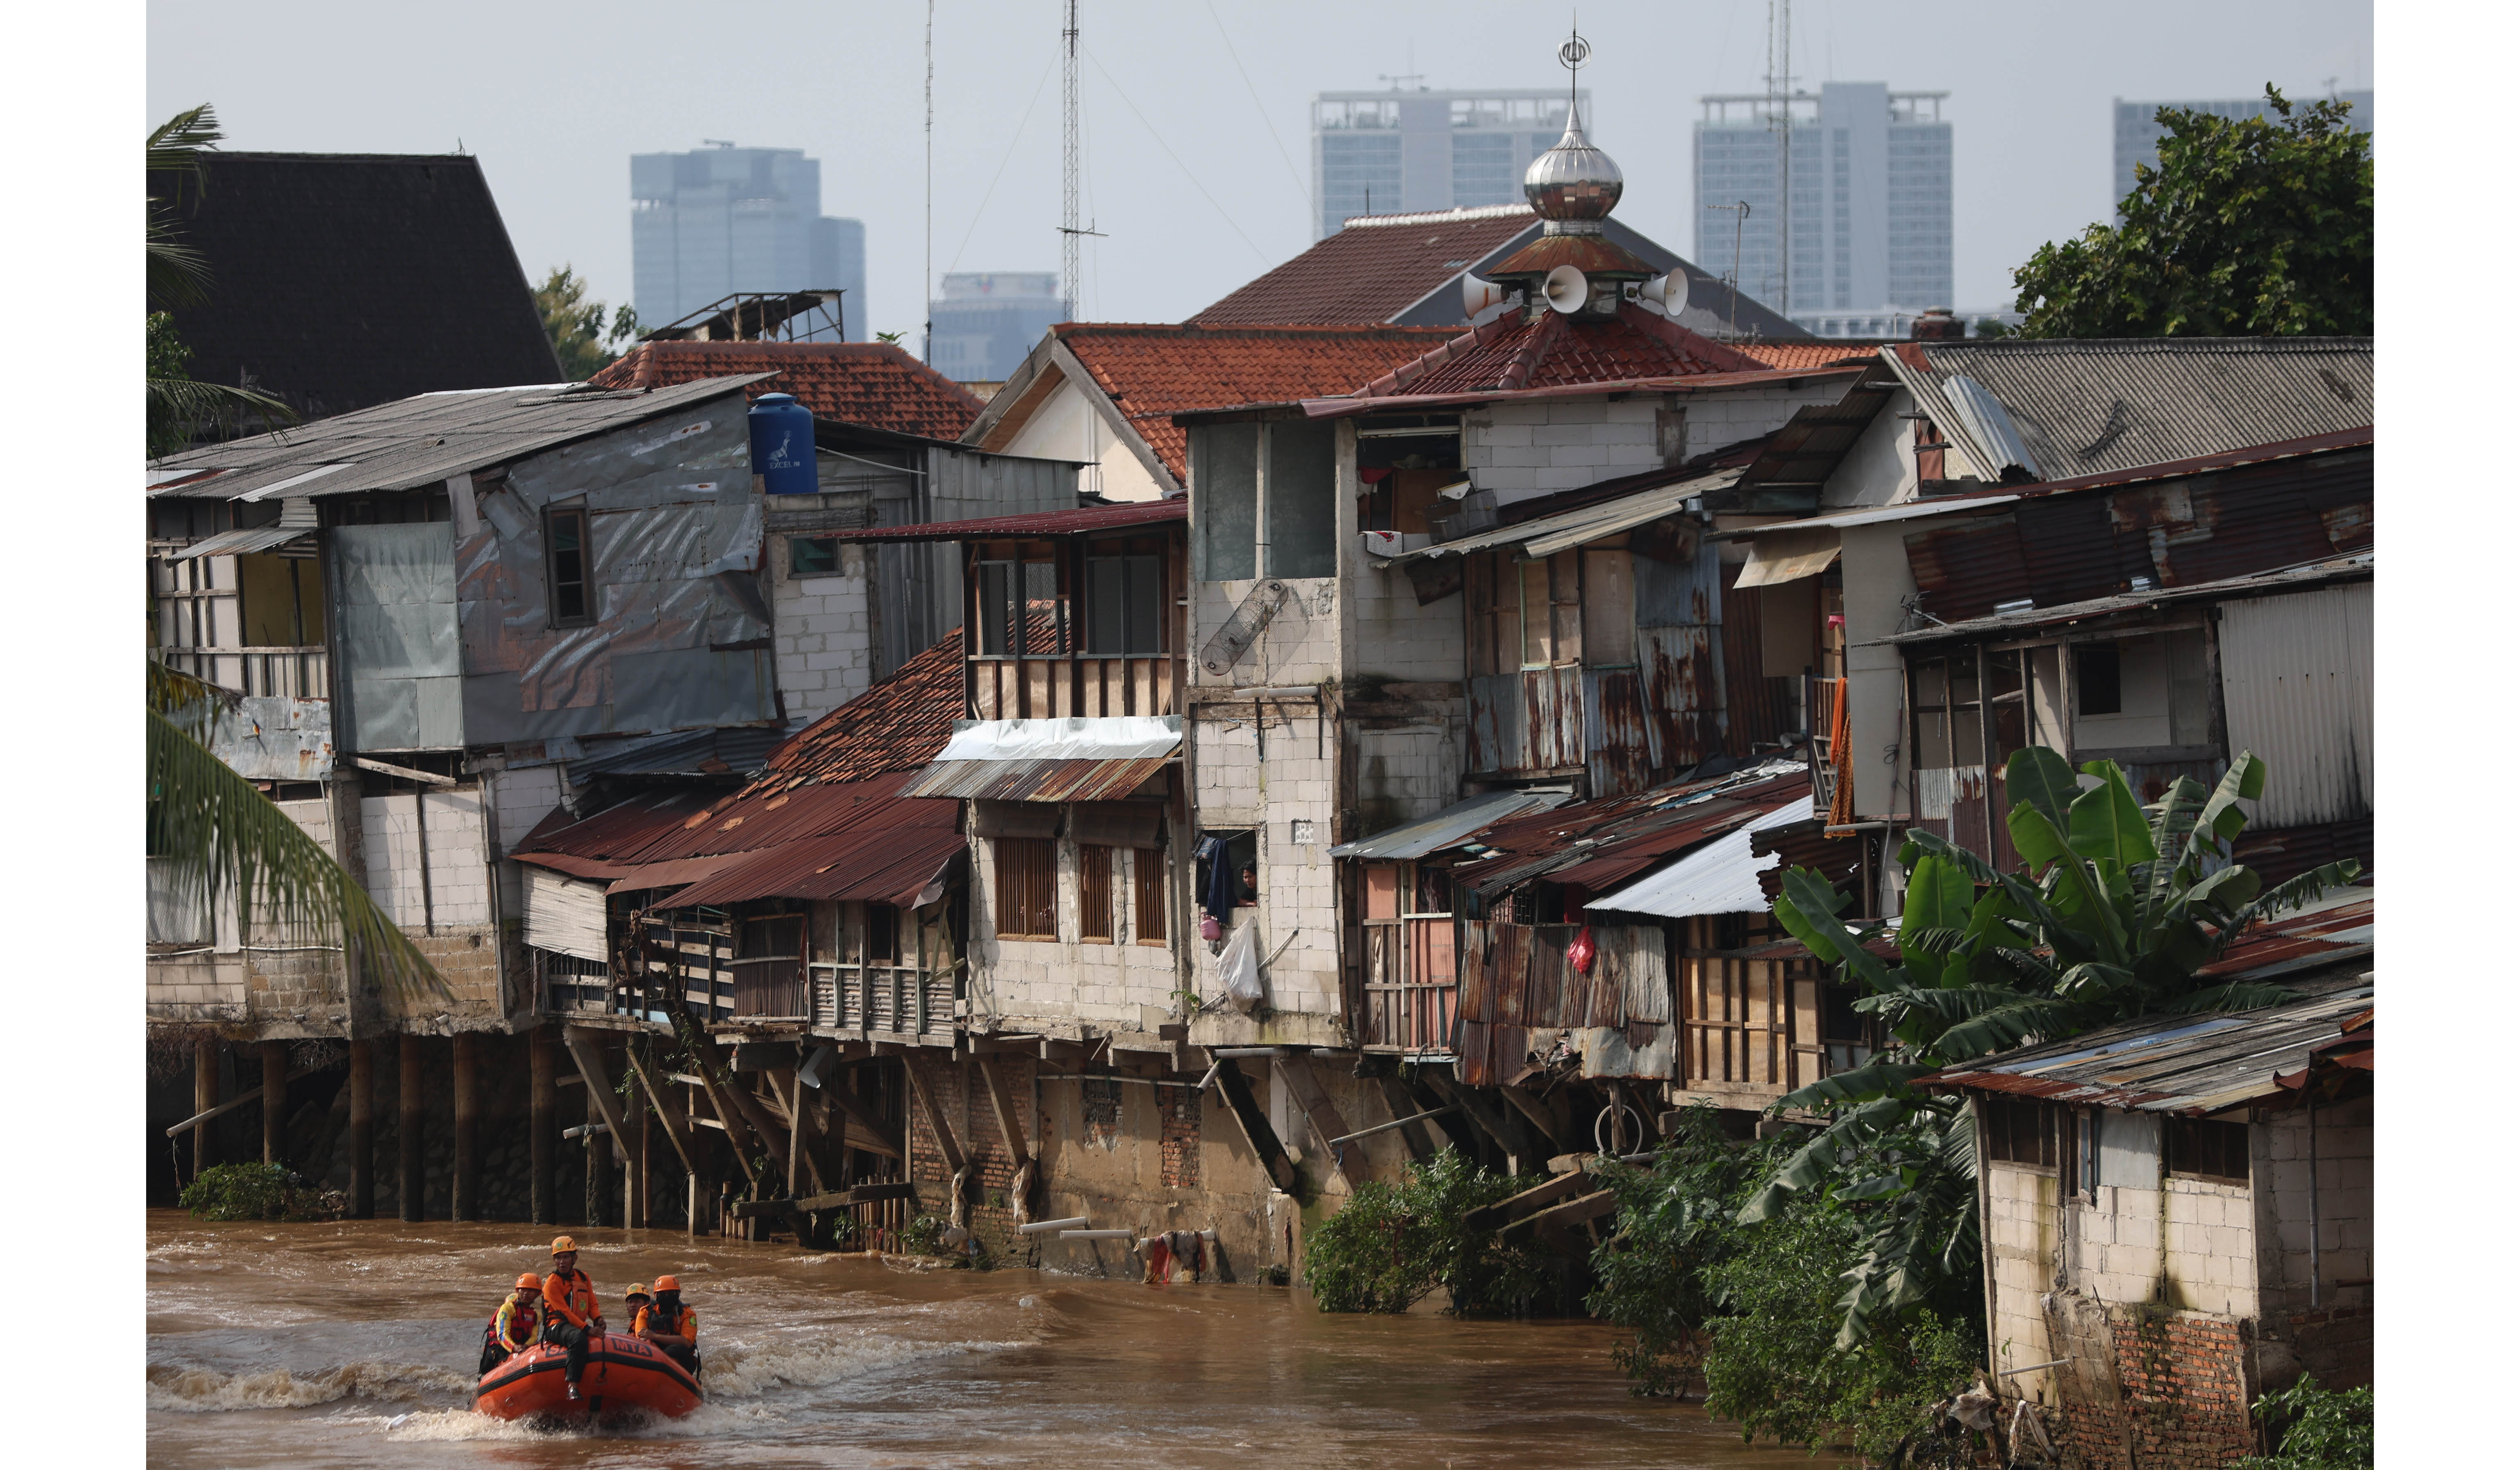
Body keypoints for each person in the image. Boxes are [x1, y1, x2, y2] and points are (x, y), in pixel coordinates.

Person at [537, 1235, 605, 1400]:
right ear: (554, 1260)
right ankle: (572, 1386)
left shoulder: (583, 1277)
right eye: (558, 1258)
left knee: (583, 1335)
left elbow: (592, 1304)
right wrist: (588, 1329)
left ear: (575, 1258)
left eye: (566, 1257)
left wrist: (598, 1320)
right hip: (556, 1326)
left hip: (576, 1325)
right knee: (577, 1338)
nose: (562, 1261)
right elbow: (564, 1312)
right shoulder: (552, 1283)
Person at [633, 1275, 700, 1376]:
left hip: (681, 1359)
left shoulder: (688, 1314)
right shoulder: (645, 1312)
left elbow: (686, 1342)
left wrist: (655, 1336)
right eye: (663, 1294)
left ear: (678, 1294)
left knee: (675, 1349)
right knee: (646, 1345)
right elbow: (642, 1338)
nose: (667, 1297)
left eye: (672, 1293)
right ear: (656, 1295)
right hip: (653, 1355)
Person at [479, 1274, 542, 1375]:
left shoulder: (536, 1315)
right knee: (484, 1375)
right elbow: (502, 1334)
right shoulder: (508, 1309)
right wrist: (514, 1348)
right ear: (518, 1291)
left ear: (537, 1294)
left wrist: (525, 1346)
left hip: (521, 1348)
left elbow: (534, 1337)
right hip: (499, 1348)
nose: (526, 1293)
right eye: (523, 1289)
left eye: (531, 1290)